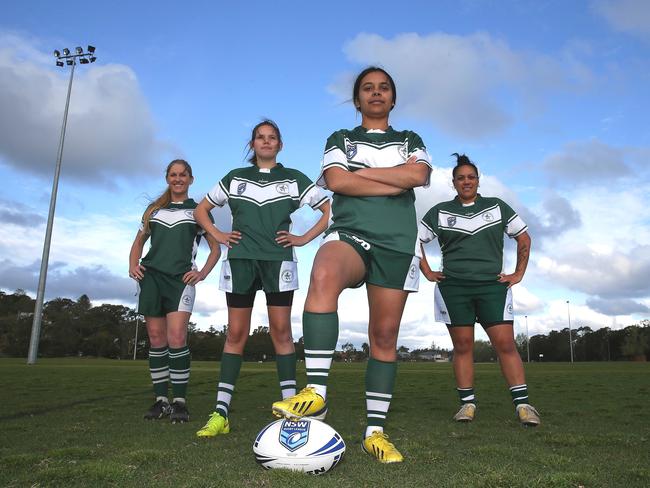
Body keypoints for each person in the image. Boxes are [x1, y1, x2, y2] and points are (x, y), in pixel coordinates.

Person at [271, 67, 432, 463]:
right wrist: (395, 181)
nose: (376, 93)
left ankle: (374, 432)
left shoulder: (411, 138)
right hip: (351, 232)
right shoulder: (340, 139)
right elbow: (336, 182)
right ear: (357, 100)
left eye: (384, 88)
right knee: (324, 270)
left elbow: (420, 174)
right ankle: (318, 394)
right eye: (367, 88)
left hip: (397, 243)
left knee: (384, 335)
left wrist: (362, 174)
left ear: (393, 99)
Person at [193, 119, 330, 438]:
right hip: (240, 261)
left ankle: (291, 412)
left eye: (272, 138)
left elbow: (327, 210)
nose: (266, 142)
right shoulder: (234, 178)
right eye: (260, 137)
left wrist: (303, 238)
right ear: (252, 144)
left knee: (282, 332)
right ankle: (220, 413)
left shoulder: (294, 178)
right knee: (236, 333)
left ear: (280, 145)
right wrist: (217, 233)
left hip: (278, 261)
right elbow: (202, 211)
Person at [419, 153, 540, 426]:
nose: (466, 182)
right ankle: (467, 405)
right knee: (463, 347)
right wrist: (427, 272)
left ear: (478, 180)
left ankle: (523, 406)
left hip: (492, 287)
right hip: (453, 289)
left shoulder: (497, 207)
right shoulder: (439, 211)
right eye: (460, 178)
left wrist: (518, 273)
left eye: (471, 177)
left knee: (506, 345)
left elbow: (524, 237)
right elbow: (416, 241)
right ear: (453, 183)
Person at [129, 159, 221, 423]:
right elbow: (138, 242)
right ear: (167, 178)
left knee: (177, 338)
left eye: (183, 175)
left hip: (180, 281)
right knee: (157, 339)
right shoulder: (154, 211)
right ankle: (161, 401)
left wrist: (202, 273)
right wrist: (132, 265)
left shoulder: (199, 210)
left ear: (191, 179)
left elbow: (215, 248)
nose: (178, 179)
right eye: (173, 175)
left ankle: (179, 402)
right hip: (152, 278)